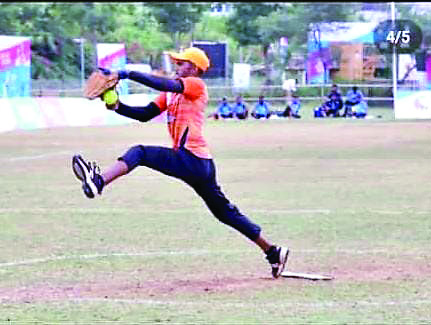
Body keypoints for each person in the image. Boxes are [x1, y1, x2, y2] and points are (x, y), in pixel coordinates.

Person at [71, 47, 289, 279]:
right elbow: (145, 114)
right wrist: (117, 106)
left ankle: (99, 182)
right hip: (200, 162)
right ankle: (273, 251)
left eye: (182, 63)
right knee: (225, 213)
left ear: (194, 68)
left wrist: (126, 74)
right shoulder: (172, 94)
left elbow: (165, 84)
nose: (177, 67)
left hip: (191, 158)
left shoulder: (195, 84)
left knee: (140, 152)